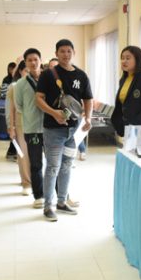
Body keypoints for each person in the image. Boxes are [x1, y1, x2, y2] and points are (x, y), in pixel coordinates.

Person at [35, 39, 92, 222]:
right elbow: (39, 99)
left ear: (73, 52)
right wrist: (54, 113)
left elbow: (88, 99)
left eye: (68, 51)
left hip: (73, 132)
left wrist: (88, 118)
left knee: (67, 165)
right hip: (53, 130)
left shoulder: (81, 76)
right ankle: (47, 206)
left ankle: (61, 202)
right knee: (52, 167)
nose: (65, 54)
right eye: (62, 51)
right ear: (56, 53)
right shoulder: (48, 75)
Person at [15, 48, 45, 208]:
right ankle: (38, 195)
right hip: (32, 129)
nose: (33, 63)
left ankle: (59, 194)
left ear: (40, 61)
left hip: (50, 128)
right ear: (25, 63)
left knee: (54, 163)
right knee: (35, 163)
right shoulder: (20, 84)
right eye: (29, 60)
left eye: (36, 59)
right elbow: (19, 106)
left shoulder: (48, 79)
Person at [6, 60, 31, 194]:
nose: (28, 73)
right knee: (23, 154)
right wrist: (11, 127)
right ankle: (26, 183)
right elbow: (11, 109)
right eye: (26, 70)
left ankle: (35, 180)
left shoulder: (37, 84)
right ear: (20, 71)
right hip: (20, 124)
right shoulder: (14, 86)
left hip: (36, 124)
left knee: (36, 155)